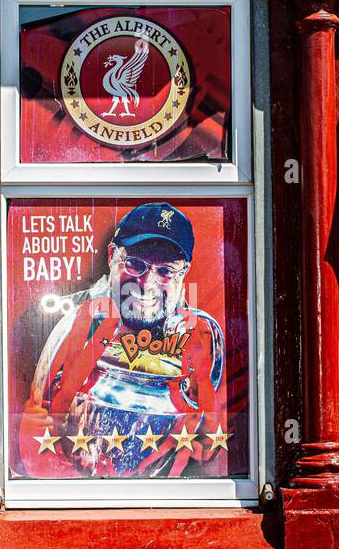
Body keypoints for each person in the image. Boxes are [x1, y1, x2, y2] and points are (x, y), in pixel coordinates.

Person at [17, 202, 226, 478]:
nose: (146, 283)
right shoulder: (65, 323)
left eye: (165, 271)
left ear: (183, 272)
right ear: (112, 256)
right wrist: (77, 487)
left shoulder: (201, 337)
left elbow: (209, 439)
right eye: (135, 264)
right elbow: (34, 426)